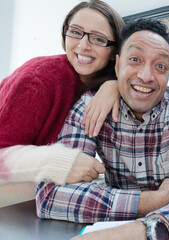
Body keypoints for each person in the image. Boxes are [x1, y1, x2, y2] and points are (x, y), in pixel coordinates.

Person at [36, 18, 169, 240]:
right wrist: (151, 201)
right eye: (135, 59)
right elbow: (49, 195)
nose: (146, 76)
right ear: (116, 65)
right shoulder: (90, 107)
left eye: (160, 66)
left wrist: (146, 231)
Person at [0, 0, 124, 188]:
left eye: (98, 39)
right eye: (75, 32)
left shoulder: (103, 84)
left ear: (115, 50)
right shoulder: (38, 81)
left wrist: (115, 85)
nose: (83, 46)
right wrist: (59, 162)